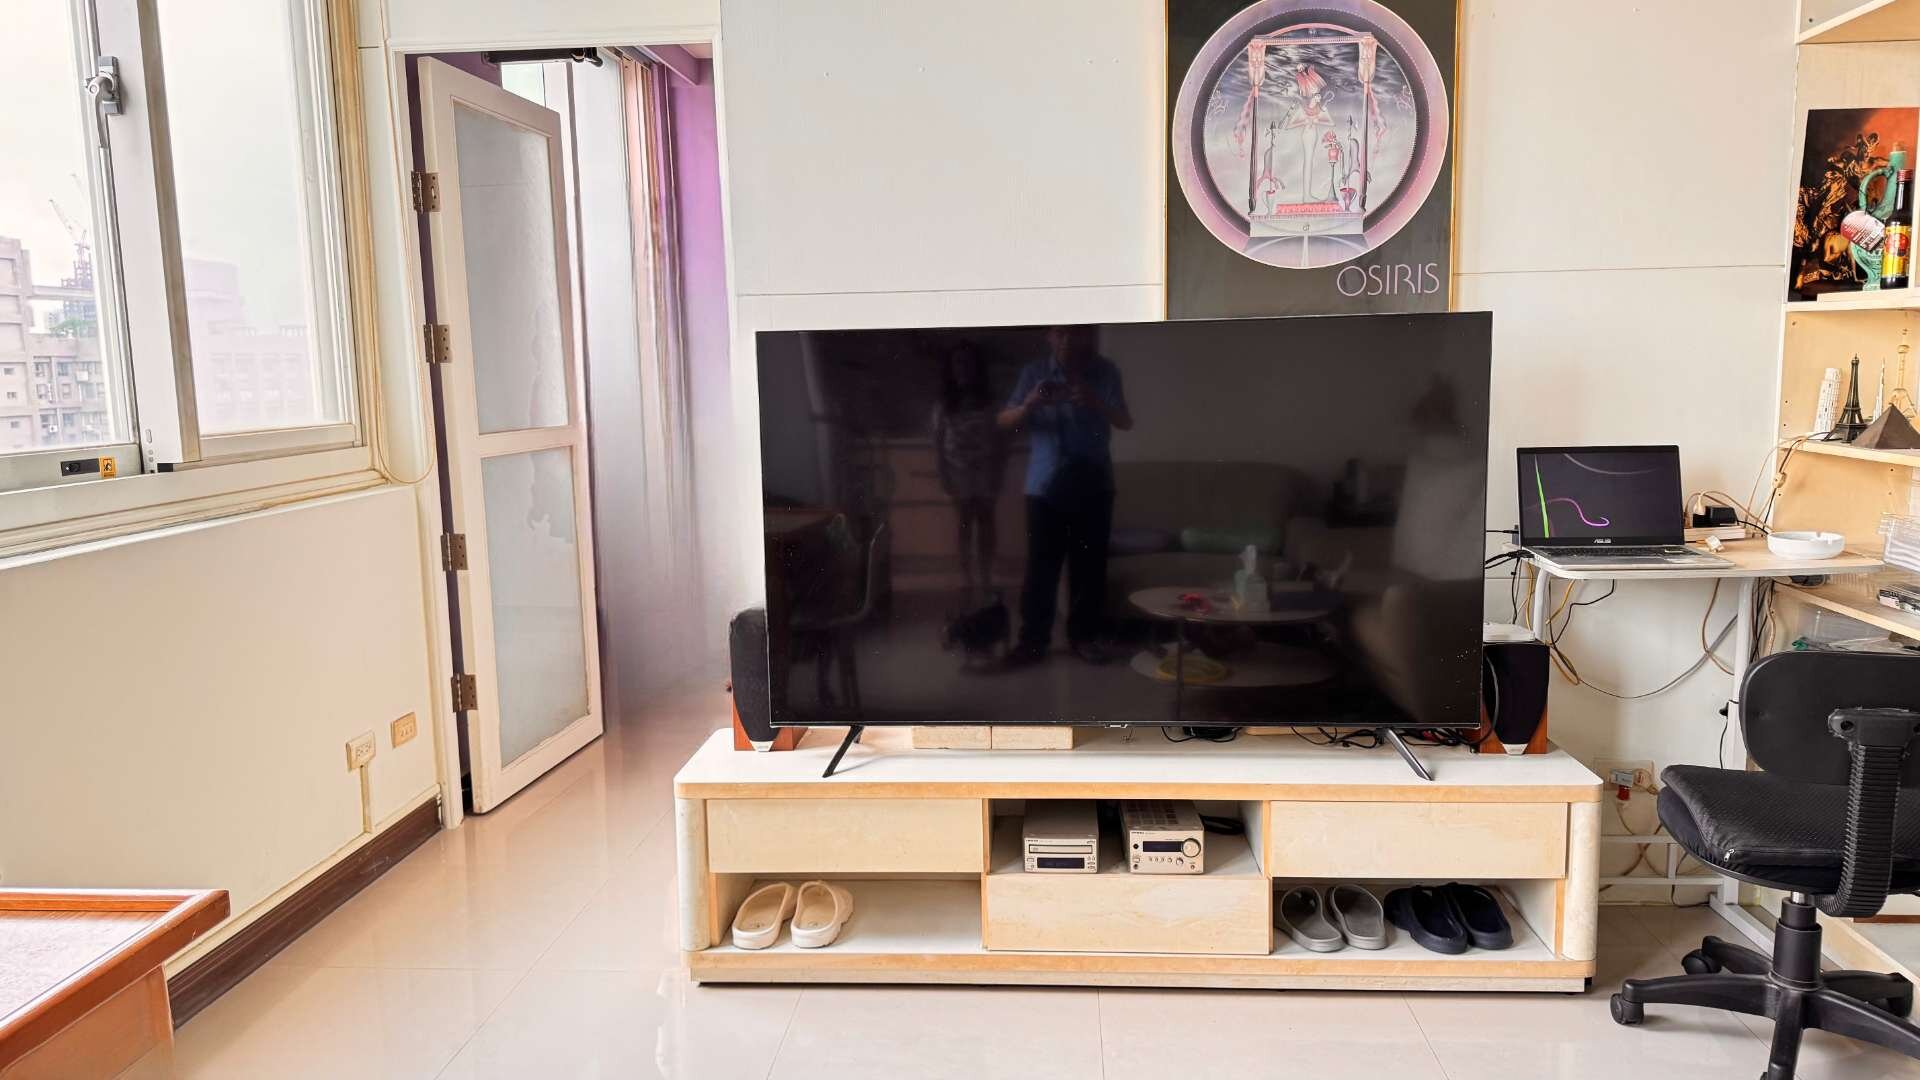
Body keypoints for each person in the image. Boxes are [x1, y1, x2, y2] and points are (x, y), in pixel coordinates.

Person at [997, 325, 1132, 666]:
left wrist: (1095, 401)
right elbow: (1004, 422)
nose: (1068, 340)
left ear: (1087, 336)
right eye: (1061, 333)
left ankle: (1084, 638)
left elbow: (1125, 421)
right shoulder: (1033, 373)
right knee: (1040, 568)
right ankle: (1032, 642)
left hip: (1094, 485)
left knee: (1090, 569)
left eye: (1076, 333)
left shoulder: (1106, 371)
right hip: (1044, 486)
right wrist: (1030, 404)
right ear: (1050, 336)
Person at [931, 343, 1006, 598]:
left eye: (968, 362)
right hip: (958, 470)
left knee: (986, 522)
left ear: (977, 367)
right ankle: (966, 576)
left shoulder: (990, 401)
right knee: (964, 523)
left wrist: (999, 470)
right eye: (958, 363)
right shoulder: (944, 404)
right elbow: (938, 443)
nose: (963, 368)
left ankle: (985, 577)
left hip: (985, 469)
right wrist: (943, 474)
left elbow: (1001, 438)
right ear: (951, 368)